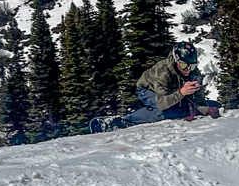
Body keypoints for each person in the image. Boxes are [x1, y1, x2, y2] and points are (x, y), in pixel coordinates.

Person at [90, 41, 220, 131]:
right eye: (184, 66)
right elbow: (162, 103)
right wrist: (181, 93)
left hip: (174, 90)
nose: (188, 70)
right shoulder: (162, 72)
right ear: (176, 61)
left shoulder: (193, 71)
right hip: (148, 90)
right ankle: (126, 120)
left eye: (192, 66)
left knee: (197, 107)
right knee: (163, 112)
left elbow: (198, 98)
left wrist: (205, 109)